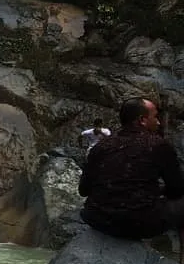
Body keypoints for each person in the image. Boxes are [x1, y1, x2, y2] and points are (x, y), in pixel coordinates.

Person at [78, 97, 184, 239]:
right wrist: (158, 190)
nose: (158, 122)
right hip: (139, 223)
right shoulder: (159, 145)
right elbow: (176, 191)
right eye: (155, 117)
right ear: (142, 120)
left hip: (98, 220)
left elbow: (83, 190)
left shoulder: (101, 146)